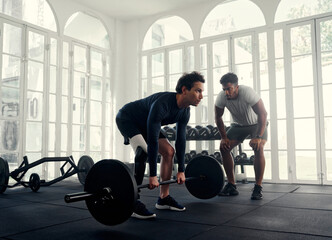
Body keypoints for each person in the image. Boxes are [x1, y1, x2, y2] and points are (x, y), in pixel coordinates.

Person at [116, 71, 205, 219]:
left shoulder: (185, 110)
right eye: (198, 91)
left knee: (169, 151)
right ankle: (132, 203)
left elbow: (181, 140)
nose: (201, 96)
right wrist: (152, 175)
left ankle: (164, 198)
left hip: (146, 123)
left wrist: (181, 170)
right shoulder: (162, 104)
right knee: (142, 152)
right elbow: (151, 140)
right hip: (128, 118)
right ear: (184, 90)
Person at [214, 72, 268, 200]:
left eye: (229, 89)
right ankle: (231, 185)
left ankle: (258, 187)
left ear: (236, 87)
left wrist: (258, 137)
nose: (227, 92)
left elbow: (263, 114)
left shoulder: (247, 92)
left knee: (258, 147)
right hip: (238, 126)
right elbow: (218, 117)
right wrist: (223, 137)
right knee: (224, 148)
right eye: (224, 89)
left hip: (257, 124)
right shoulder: (222, 97)